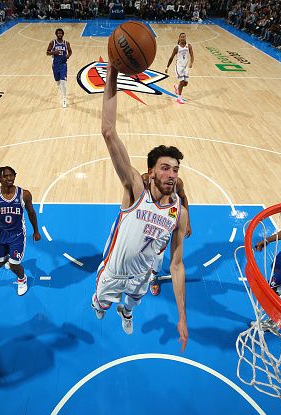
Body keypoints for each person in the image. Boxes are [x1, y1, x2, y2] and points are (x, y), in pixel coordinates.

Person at [91, 64, 188, 348]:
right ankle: (104, 305)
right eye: (166, 168)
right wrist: (111, 75)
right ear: (151, 171)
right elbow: (108, 132)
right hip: (113, 271)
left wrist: (182, 316)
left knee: (133, 302)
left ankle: (127, 312)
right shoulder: (135, 189)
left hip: (143, 273)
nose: (172, 174)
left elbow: (178, 265)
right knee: (100, 305)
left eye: (176, 169)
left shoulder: (178, 212)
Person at [0, 166, 41, 296]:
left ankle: (22, 279)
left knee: (14, 265)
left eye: (12, 175)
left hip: (17, 235)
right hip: (0, 235)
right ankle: (12, 258)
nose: (10, 178)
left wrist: (36, 231)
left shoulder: (24, 194)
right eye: (6, 176)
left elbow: (31, 213)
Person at [144, 176, 192, 296]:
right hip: (149, 218)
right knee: (142, 249)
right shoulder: (146, 180)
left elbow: (184, 198)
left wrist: (187, 222)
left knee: (159, 257)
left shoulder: (177, 183)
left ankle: (153, 277)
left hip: (166, 218)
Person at [46, 28, 72, 108]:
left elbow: (70, 51)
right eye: (58, 33)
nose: (59, 34)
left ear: (63, 34)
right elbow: (47, 52)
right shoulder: (52, 43)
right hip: (55, 64)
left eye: (61, 33)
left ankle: (64, 98)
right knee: (58, 81)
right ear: (56, 34)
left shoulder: (66, 43)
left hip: (63, 64)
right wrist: (54, 52)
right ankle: (62, 91)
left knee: (63, 81)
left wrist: (68, 55)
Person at [165, 32, 194, 105]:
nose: (183, 38)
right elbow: (171, 58)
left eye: (184, 37)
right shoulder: (177, 48)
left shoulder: (189, 46)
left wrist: (191, 63)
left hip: (185, 67)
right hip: (179, 67)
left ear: (185, 38)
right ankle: (179, 98)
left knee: (185, 84)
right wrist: (167, 67)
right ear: (179, 38)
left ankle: (177, 87)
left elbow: (192, 55)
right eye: (181, 37)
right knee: (181, 82)